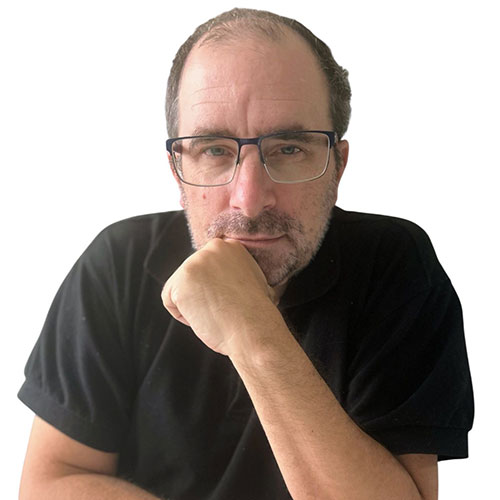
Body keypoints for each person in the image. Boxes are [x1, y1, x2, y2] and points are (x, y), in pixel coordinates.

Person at [18, 8, 473, 500]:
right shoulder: (118, 262)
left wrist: (253, 332)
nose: (250, 201)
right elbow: (49, 483)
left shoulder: (396, 266)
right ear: (176, 170)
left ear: (337, 166)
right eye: (214, 149)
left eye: (289, 148)